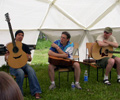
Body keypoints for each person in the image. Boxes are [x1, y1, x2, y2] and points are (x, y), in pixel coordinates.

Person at [5, 30, 42, 99]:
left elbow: (30, 59)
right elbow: (6, 59)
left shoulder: (25, 46)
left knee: (31, 70)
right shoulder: (10, 46)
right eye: (19, 35)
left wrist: (27, 57)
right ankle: (19, 93)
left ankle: (36, 91)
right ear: (15, 36)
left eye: (22, 35)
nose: (21, 36)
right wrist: (7, 57)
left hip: (23, 64)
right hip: (14, 66)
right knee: (20, 72)